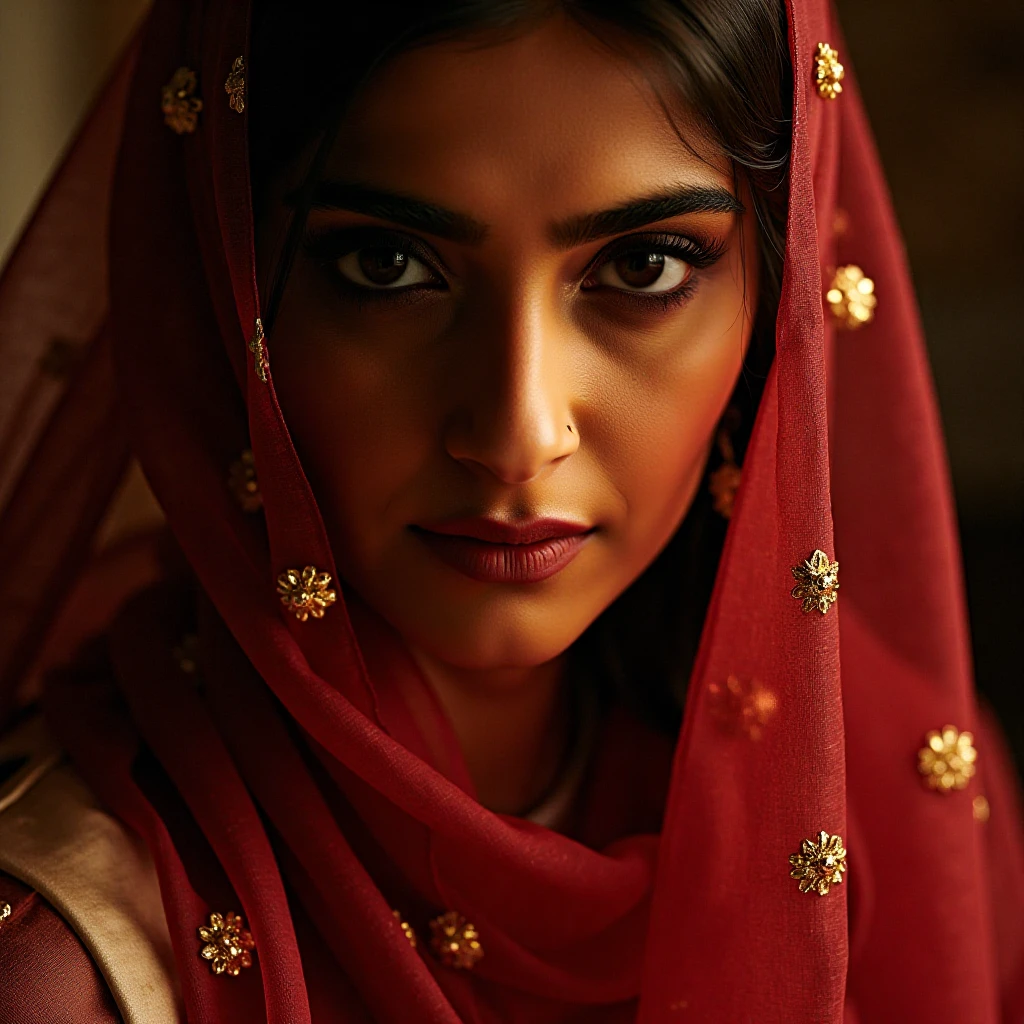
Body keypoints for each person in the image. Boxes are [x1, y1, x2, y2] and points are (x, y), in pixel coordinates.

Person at [0, 0, 1020, 1021]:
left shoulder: (893, 798)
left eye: (642, 266)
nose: (518, 432)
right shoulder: (70, 968)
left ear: (773, 300)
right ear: (225, 286)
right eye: (387, 265)